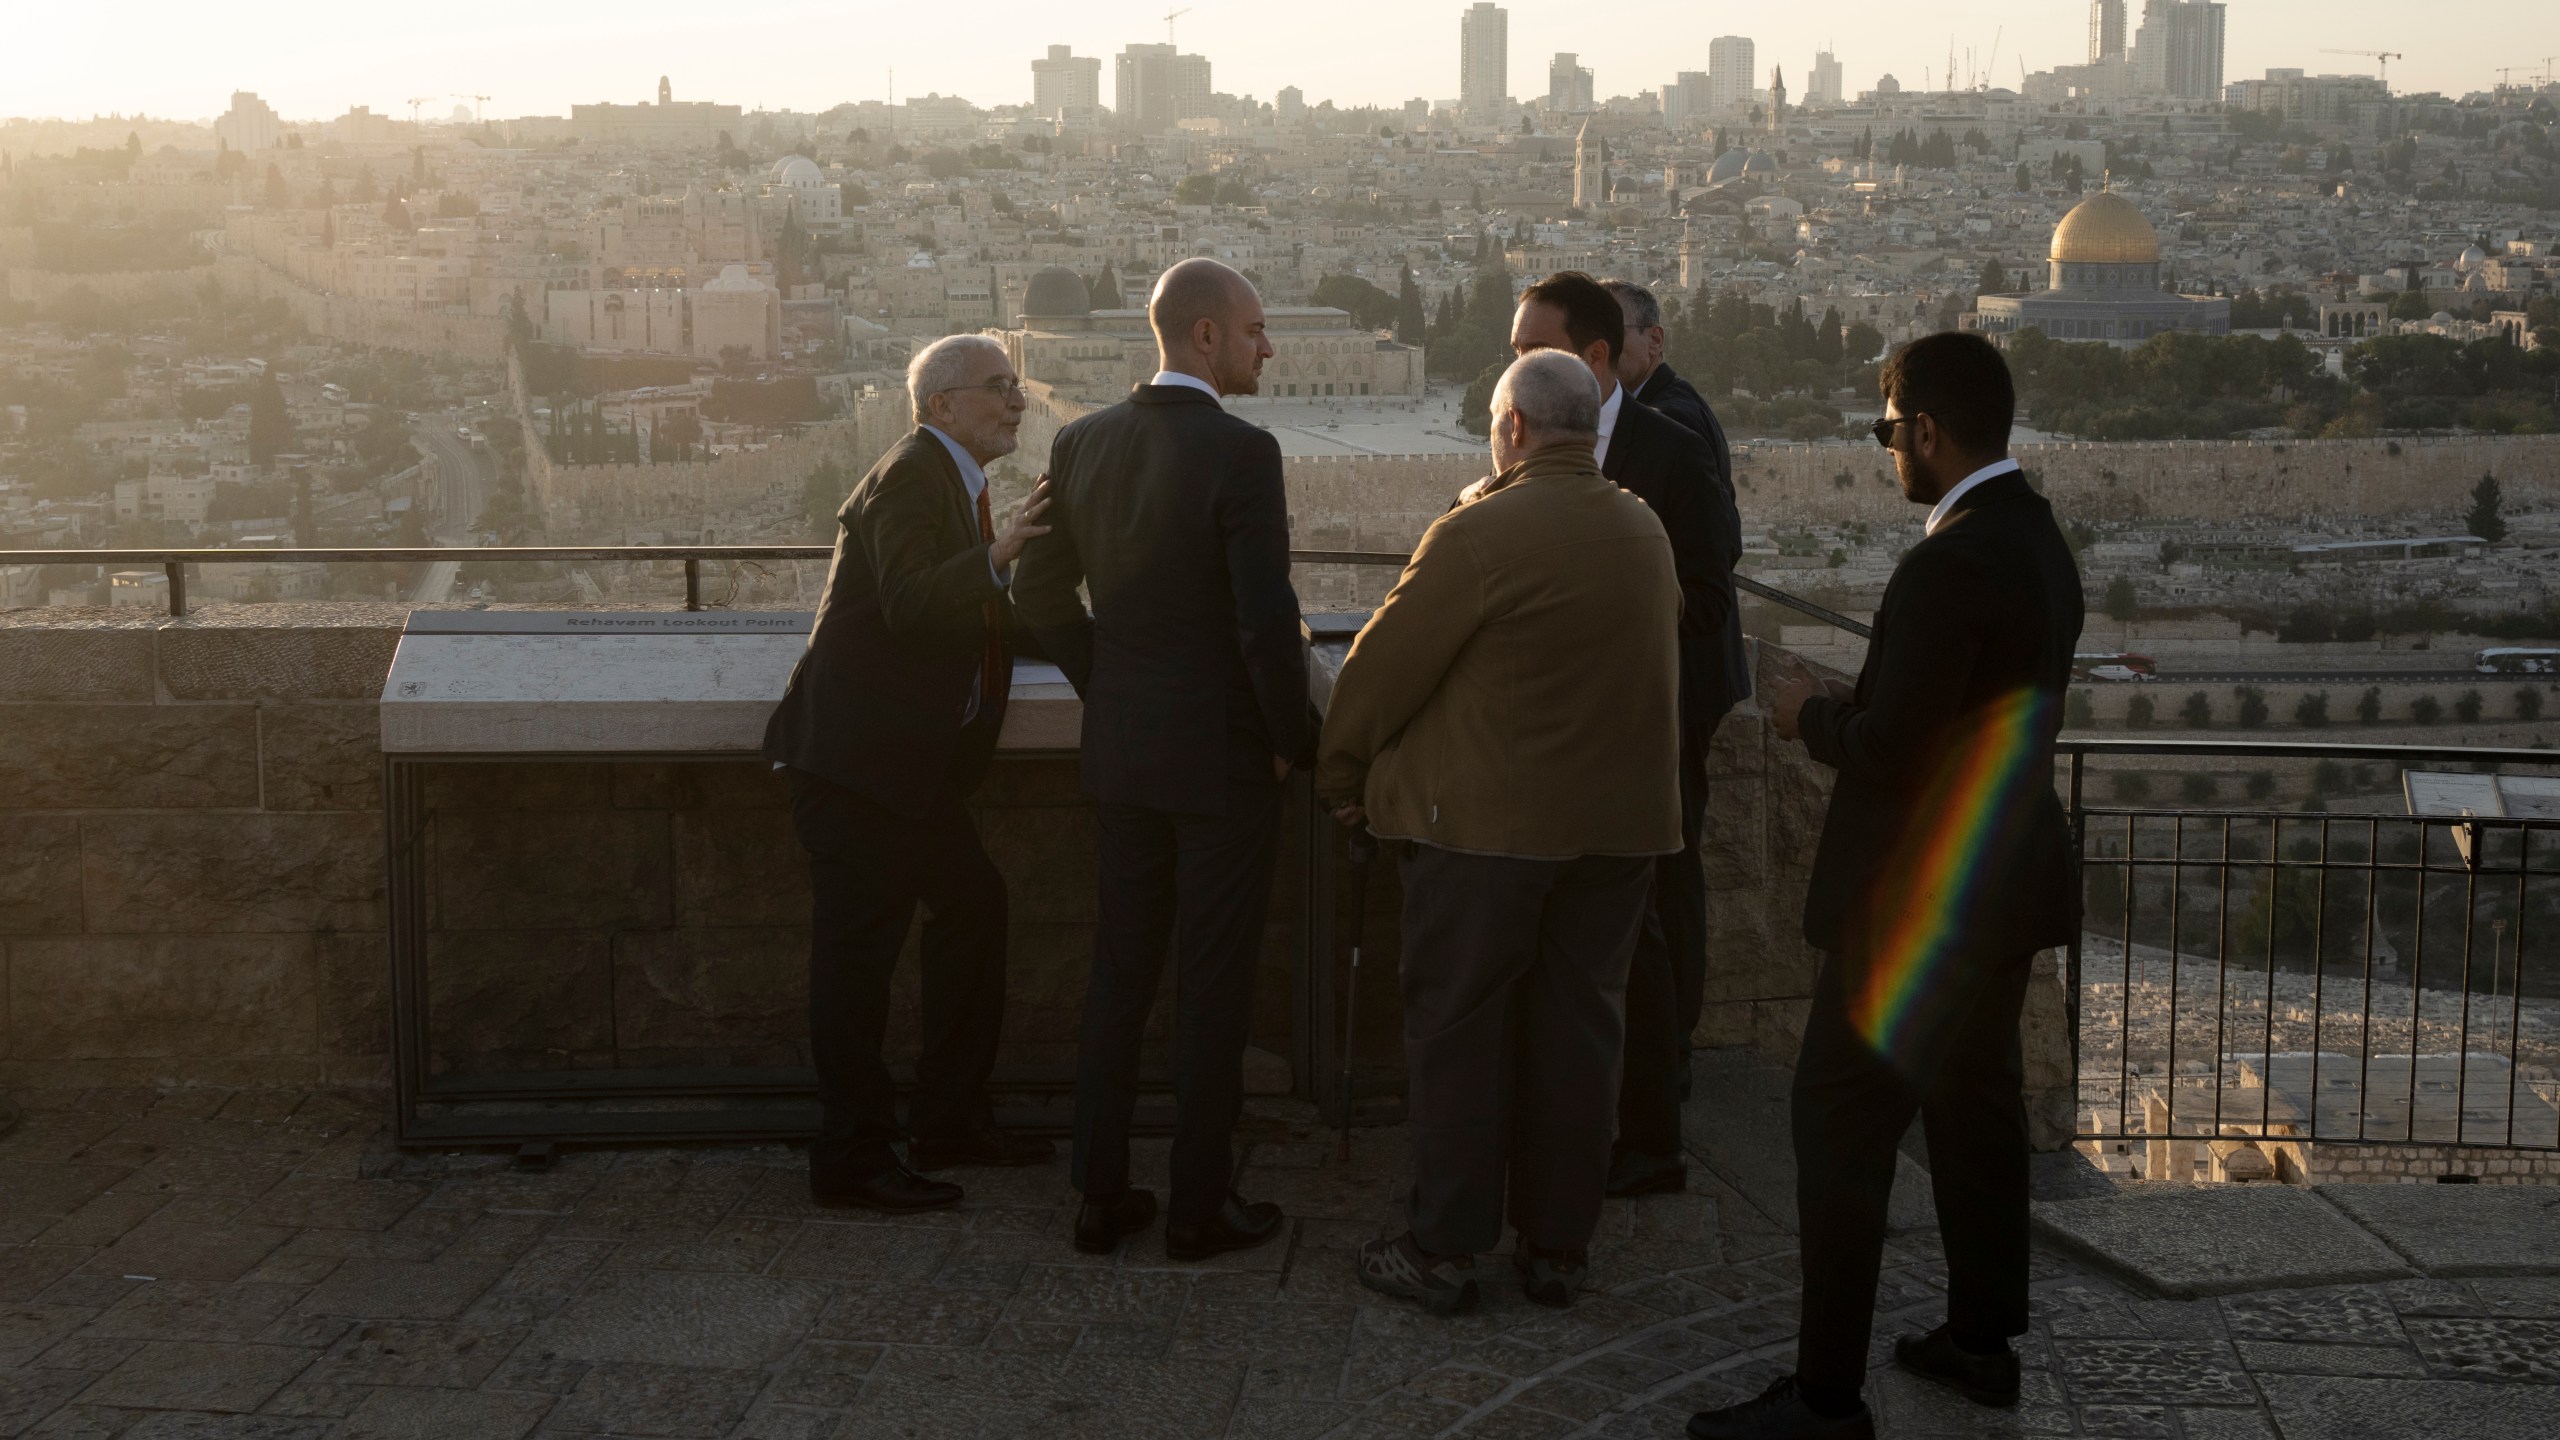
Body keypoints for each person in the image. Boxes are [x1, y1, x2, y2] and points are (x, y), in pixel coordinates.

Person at [1687, 333, 2083, 1440]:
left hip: (1915, 906)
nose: (1886, 451)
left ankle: (1822, 1398)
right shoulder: (2038, 539)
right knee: (1974, 1116)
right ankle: (1978, 1343)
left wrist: (1803, 713)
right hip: (2004, 886)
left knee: (1841, 1131)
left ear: (1927, 430)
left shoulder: (1949, 561)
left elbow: (1894, 750)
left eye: (1887, 428)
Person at [1317, 350, 1681, 1316]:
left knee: (1459, 1035)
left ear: (1513, 428)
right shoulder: (1642, 525)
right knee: (1580, 1037)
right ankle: (1559, 1245)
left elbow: (1383, 666)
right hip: (1620, 833)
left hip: (1488, 834)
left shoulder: (1479, 531)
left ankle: (1444, 1245)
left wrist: (1342, 773)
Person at [1014, 258, 1313, 1262]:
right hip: (1222, 764)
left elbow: (1042, 594)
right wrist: (1293, 744)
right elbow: (1266, 626)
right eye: (1256, 329)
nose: (1267, 346)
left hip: (1127, 753)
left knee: (1120, 973)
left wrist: (1113, 689)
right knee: (1212, 985)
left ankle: (1099, 1194)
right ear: (1202, 337)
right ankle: (1197, 1205)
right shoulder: (1243, 454)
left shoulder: (1080, 441)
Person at [762, 334, 1059, 1215]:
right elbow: (910, 600)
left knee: (972, 906)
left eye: (1015, 387)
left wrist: (1110, 642)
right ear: (942, 406)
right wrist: (1001, 557)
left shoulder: (952, 480)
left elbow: (976, 621)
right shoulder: (910, 475)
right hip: (857, 767)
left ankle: (948, 1117)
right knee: (859, 960)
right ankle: (852, 1153)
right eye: (998, 389)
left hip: (903, 771)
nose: (1016, 403)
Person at [1504, 272, 1744, 1201]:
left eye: (1533, 349)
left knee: (1648, 921)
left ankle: (1652, 1122)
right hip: (1559, 730)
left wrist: (1593, 632)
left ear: (1594, 358)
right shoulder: (1518, 442)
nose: (1515, 366)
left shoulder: (1674, 454)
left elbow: (1711, 602)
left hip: (1647, 721)